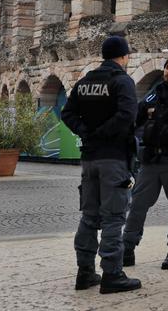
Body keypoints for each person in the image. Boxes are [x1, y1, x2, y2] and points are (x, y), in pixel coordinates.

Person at [60, 35, 141, 294]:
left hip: (90, 158)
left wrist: (86, 131)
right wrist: (104, 132)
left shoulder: (85, 82)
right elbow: (128, 116)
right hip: (113, 157)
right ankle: (112, 274)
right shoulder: (122, 81)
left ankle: (85, 272)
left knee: (89, 216)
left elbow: (67, 113)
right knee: (113, 218)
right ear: (123, 56)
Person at [123, 55, 168, 270]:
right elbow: (136, 120)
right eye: (167, 67)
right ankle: (127, 248)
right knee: (137, 206)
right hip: (151, 161)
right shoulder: (154, 95)